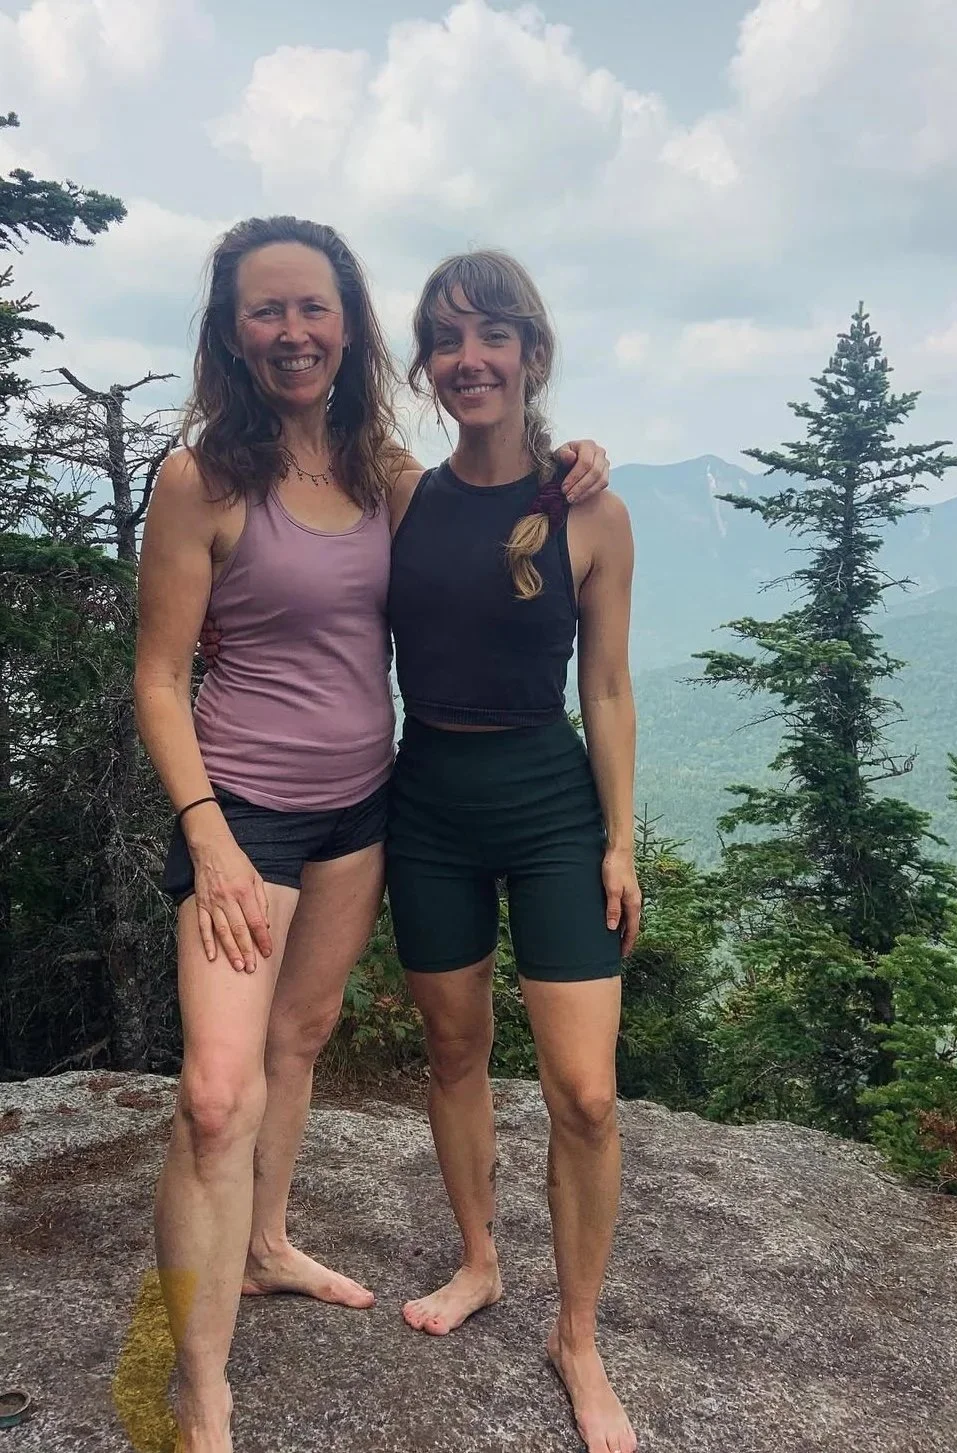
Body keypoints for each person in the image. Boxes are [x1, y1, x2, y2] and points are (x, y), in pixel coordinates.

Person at [133, 214, 610, 1453]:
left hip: (362, 806)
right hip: (243, 813)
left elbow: (484, 516)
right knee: (216, 1092)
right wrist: (207, 833)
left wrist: (575, 464)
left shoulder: (379, 471)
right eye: (266, 310)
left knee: (300, 1038)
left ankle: (266, 1242)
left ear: (347, 327)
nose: (293, 332)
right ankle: (197, 1386)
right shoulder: (200, 479)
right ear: (231, 331)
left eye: (314, 308)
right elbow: (159, 676)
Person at [385, 250, 640, 1453]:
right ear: (426, 366)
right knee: (454, 1048)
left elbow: (609, 685)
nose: (467, 357)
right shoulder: (400, 495)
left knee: (584, 1092)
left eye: (491, 334)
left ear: (531, 354)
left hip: (548, 804)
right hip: (429, 801)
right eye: (445, 338)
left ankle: (575, 1333)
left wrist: (621, 840)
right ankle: (480, 1259)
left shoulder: (591, 507)